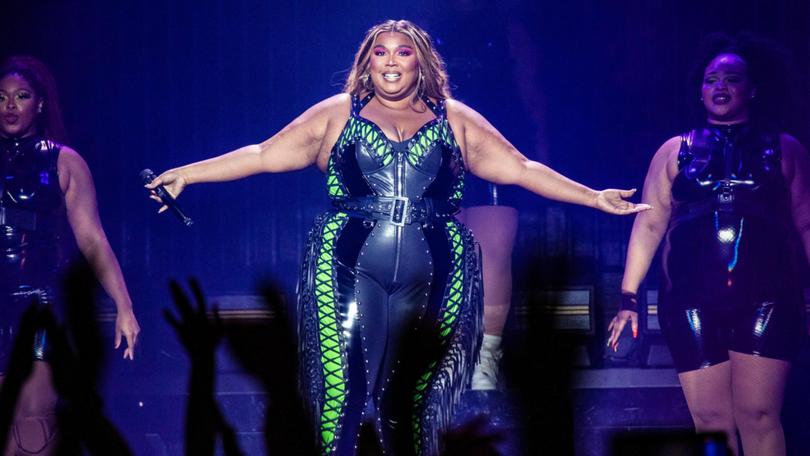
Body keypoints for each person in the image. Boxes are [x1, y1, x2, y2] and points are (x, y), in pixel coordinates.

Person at [148, 19, 648, 455]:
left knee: (405, 399)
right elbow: (262, 153)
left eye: (403, 52)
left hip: (436, 270)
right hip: (345, 263)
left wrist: (593, 196)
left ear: (420, 64)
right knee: (342, 390)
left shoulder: (453, 117)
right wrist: (187, 174)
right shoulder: (338, 113)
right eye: (380, 53)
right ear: (366, 65)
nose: (391, 61)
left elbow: (520, 167)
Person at [607, 34, 810, 456]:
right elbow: (648, 225)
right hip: (690, 300)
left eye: (732, 78)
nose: (720, 86)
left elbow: (806, 223)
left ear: (751, 88)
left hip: (768, 298)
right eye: (711, 79)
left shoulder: (785, 148)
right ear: (700, 91)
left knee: (759, 415)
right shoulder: (673, 151)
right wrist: (628, 298)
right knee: (711, 422)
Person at [0, 56, 140, 455]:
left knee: (31, 429)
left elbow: (92, 240)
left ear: (39, 103)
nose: (10, 106)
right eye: (1, 97)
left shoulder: (63, 161)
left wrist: (124, 306)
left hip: (37, 306)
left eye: (21, 96)